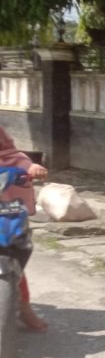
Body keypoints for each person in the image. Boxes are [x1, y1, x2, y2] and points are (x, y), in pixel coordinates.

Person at [0, 127, 48, 331]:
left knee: (15, 262)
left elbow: (23, 163)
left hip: (6, 214)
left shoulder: (12, 157)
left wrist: (33, 168)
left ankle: (24, 307)